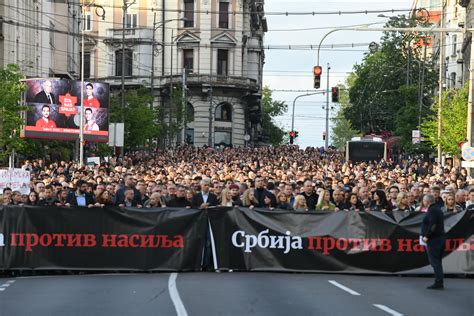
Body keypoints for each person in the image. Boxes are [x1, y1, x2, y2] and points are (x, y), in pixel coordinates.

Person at [421, 194, 446, 290]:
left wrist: (427, 236)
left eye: (423, 201)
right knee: (437, 261)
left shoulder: (432, 210)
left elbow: (433, 224)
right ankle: (439, 280)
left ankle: (438, 282)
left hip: (434, 240)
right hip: (439, 238)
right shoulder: (437, 209)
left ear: (427, 201)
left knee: (435, 261)